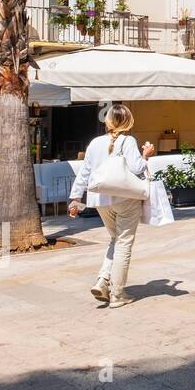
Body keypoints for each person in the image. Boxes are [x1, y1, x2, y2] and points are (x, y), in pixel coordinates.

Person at [68, 104, 155, 308]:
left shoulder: (95, 142)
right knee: (124, 243)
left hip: (100, 201)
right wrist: (146, 155)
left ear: (107, 121)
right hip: (125, 199)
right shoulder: (128, 140)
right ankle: (117, 294)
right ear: (128, 121)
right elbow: (137, 167)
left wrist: (75, 198)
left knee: (115, 240)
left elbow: (85, 172)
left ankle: (103, 280)